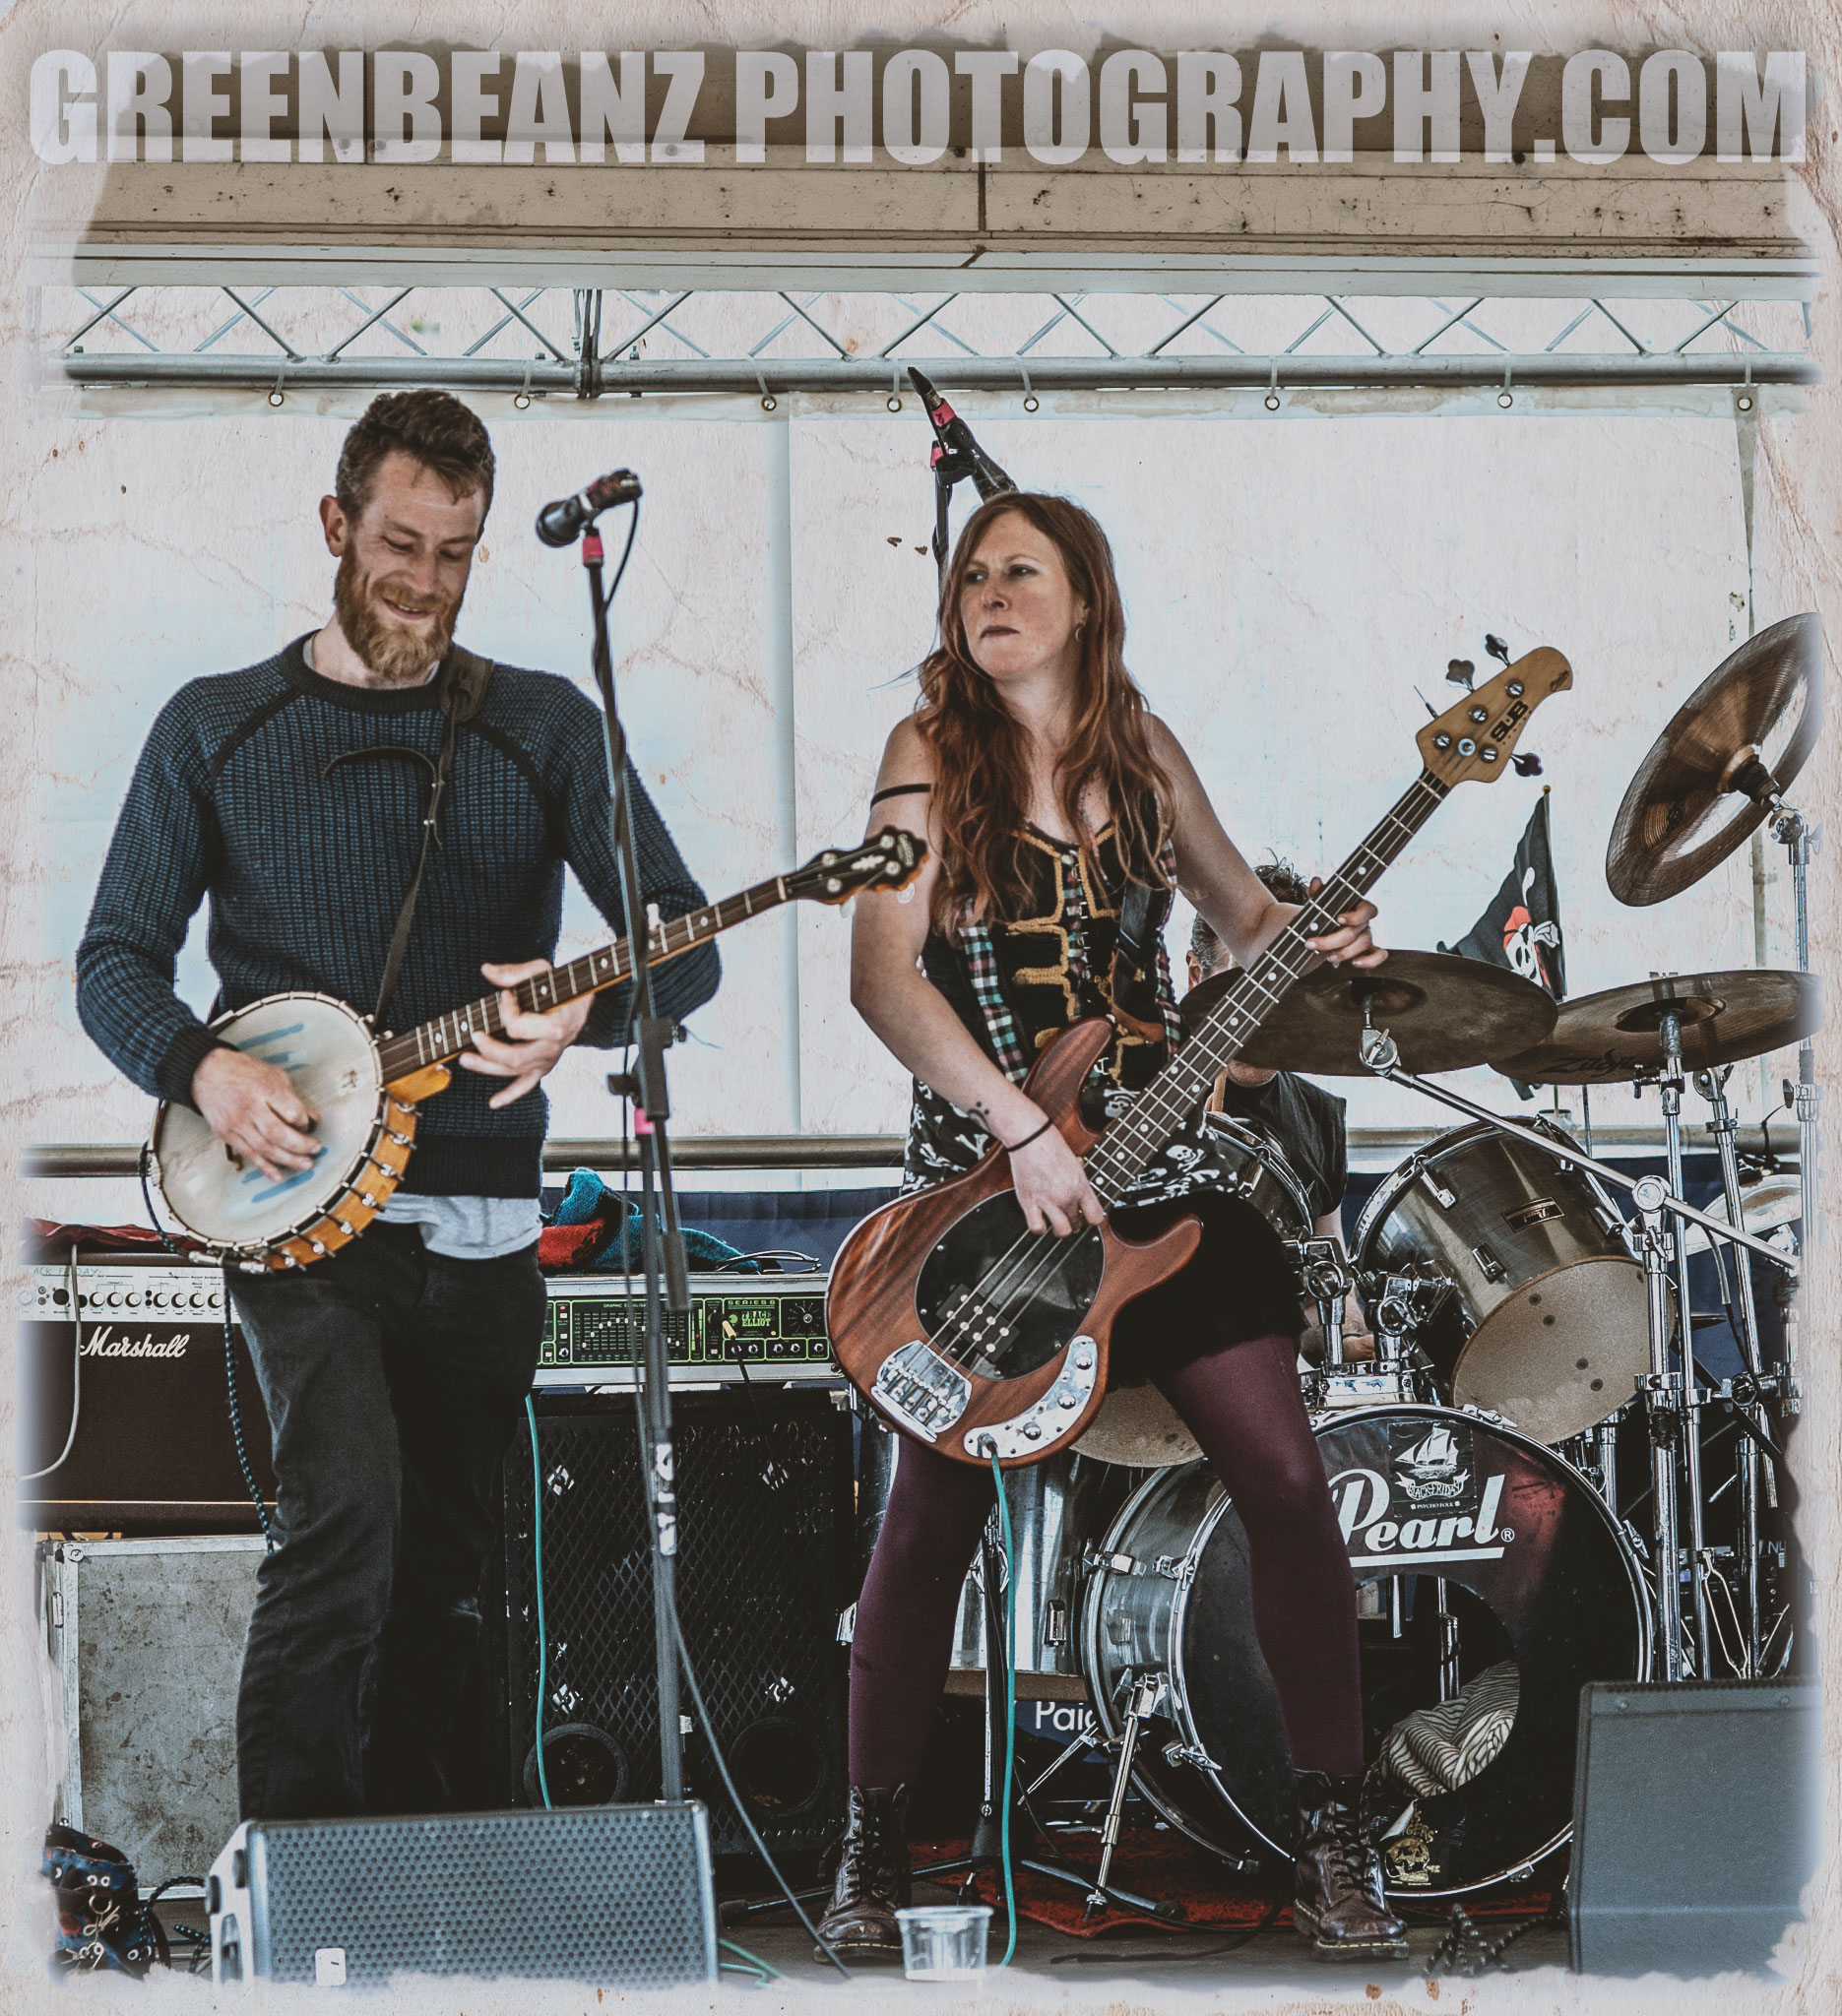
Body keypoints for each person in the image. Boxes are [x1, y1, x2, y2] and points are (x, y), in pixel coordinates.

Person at [75, 391, 718, 1821]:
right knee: (344, 1522)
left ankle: (437, 1893)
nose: (423, 583)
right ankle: (296, 1889)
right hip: (302, 1223)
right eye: (399, 545)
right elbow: (113, 960)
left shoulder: (544, 725)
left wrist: (584, 1011)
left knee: (451, 1571)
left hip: (486, 1228)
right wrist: (206, 1070)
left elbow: (685, 940)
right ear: (334, 525)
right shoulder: (215, 727)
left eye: (455, 553)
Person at [826, 492, 1407, 1960]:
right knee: (926, 1529)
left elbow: (1239, 926)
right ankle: (867, 1851)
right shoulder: (923, 761)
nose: (987, 589)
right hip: (982, 1202)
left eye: (1020, 569)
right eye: (969, 573)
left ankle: (1334, 1838)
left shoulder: (1141, 757)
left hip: (1164, 1186)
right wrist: (1014, 1127)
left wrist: (1317, 941)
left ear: (1083, 599)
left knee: (1287, 1486)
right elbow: (882, 979)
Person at [1187, 869, 1374, 1361]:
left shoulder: (1320, 1113)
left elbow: (1328, 1284)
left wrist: (1349, 1337)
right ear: (1195, 974)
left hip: (1268, 1364)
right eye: (1244, 985)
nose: (1263, 1011)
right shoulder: (1146, 1093)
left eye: (1285, 992)